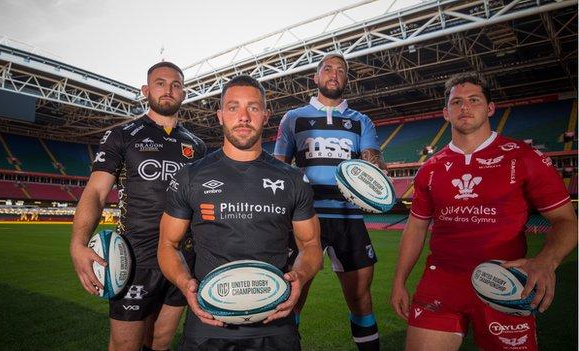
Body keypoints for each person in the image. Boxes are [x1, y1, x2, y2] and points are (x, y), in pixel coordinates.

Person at [390, 72, 578, 351]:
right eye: (456, 102)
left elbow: (566, 221)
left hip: (505, 284)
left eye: (474, 100)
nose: (465, 107)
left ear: (490, 108)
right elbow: (416, 228)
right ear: (445, 112)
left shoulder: (524, 157)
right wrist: (399, 281)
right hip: (441, 282)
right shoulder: (430, 168)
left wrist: (545, 261)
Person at [158, 75, 323, 350]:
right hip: (208, 325)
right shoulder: (190, 176)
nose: (244, 117)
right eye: (233, 107)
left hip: (275, 324)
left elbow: (311, 245)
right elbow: (167, 245)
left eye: (253, 108)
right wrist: (184, 281)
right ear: (220, 116)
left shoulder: (293, 179)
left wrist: (301, 277)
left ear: (266, 116)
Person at [70, 61, 207, 351]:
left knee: (160, 340)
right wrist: (78, 243)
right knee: (125, 345)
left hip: (184, 256)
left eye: (176, 85)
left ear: (184, 93)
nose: (168, 90)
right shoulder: (122, 135)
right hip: (134, 257)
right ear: (146, 90)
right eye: (160, 83)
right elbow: (96, 191)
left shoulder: (197, 146)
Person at [273, 52, 385, 351]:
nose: (333, 73)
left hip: (349, 218)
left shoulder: (361, 121)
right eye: (327, 68)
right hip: (305, 219)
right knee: (292, 297)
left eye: (340, 70)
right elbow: (278, 167)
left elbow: (374, 166)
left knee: (361, 299)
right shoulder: (293, 118)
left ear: (346, 79)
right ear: (316, 77)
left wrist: (374, 174)